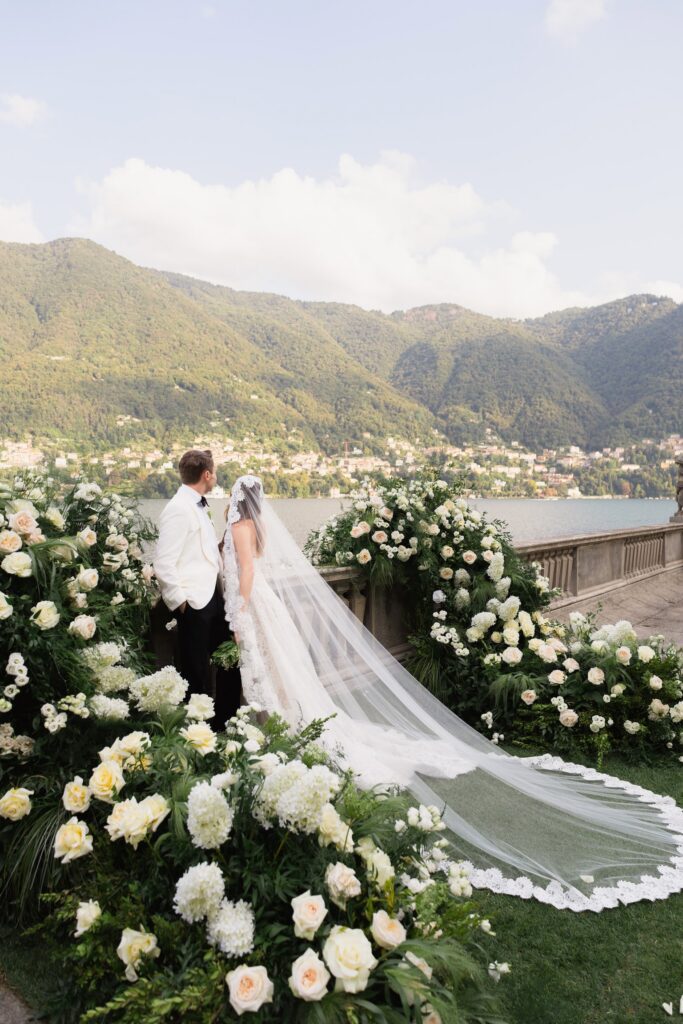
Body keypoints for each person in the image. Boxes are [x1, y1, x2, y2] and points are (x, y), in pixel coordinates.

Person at [221, 474, 683, 913]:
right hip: (266, 605)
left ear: (240, 502)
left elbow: (247, 571)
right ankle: (281, 723)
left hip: (255, 605)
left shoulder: (241, 527)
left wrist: (240, 612)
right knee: (279, 672)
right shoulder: (256, 528)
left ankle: (281, 725)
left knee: (275, 670)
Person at [154, 449, 239, 722]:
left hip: (214, 596)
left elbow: (199, 549)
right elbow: (163, 562)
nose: (215, 477)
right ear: (207, 474)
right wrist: (181, 603)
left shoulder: (199, 505)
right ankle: (199, 730)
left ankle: (226, 721)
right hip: (193, 603)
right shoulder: (178, 508)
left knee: (229, 659)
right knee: (196, 673)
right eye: (215, 473)